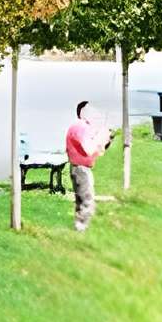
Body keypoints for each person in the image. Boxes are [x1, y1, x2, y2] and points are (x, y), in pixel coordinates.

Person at [64, 99, 108, 232]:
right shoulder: (80, 127)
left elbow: (97, 152)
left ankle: (79, 227)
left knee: (81, 199)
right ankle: (81, 229)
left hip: (81, 168)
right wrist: (100, 137)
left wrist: (104, 141)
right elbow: (88, 149)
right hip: (81, 169)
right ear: (83, 112)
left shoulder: (85, 128)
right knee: (87, 200)